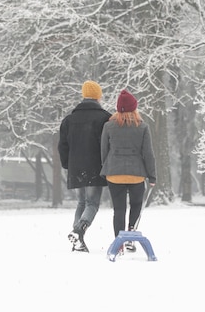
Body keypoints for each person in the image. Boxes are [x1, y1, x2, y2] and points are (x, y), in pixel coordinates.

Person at [58, 80, 111, 253]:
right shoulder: (104, 118)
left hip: (75, 167)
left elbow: (63, 145)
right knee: (93, 203)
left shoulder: (69, 120)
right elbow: (107, 144)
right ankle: (78, 230)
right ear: (98, 96)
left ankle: (77, 239)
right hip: (95, 167)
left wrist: (67, 164)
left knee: (81, 202)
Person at [100, 89, 156, 253]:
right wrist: (152, 175)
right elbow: (148, 153)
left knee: (118, 209)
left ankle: (119, 244)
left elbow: (104, 150)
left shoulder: (108, 126)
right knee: (136, 204)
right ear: (134, 108)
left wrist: (107, 167)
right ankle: (131, 235)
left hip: (114, 174)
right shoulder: (142, 127)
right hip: (136, 175)